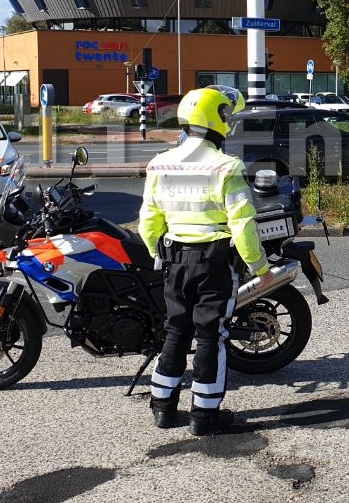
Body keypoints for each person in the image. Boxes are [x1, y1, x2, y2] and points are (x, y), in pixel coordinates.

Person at [139, 86, 267, 436]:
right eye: (227, 116)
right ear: (217, 119)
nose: (230, 122)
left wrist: (156, 254)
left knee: (175, 331)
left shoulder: (160, 164)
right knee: (212, 335)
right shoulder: (227, 167)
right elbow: (242, 225)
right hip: (213, 263)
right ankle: (204, 416)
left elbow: (148, 223)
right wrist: (260, 268)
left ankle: (163, 409)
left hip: (174, 262)